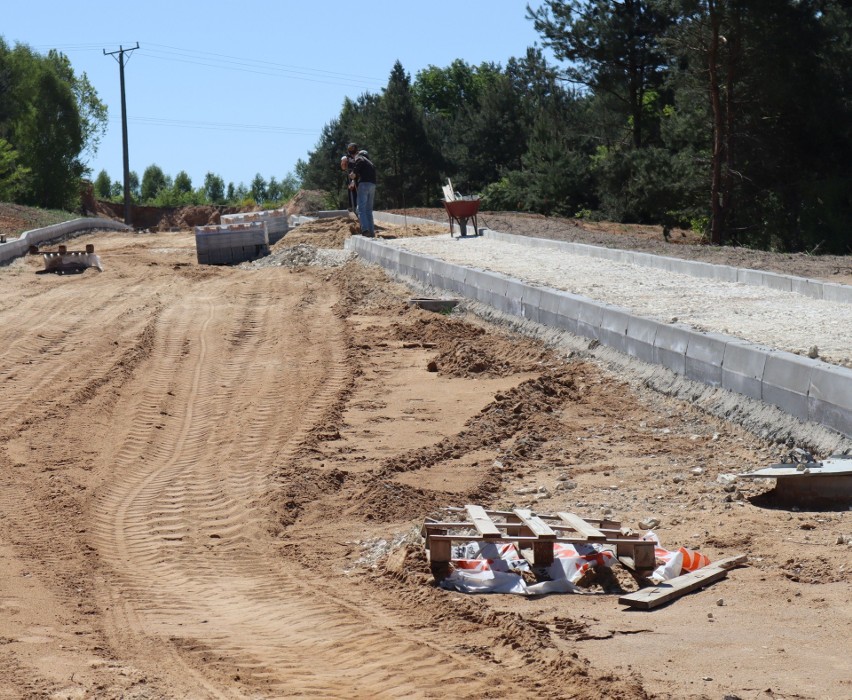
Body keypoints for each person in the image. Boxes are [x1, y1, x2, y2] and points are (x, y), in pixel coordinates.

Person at [350, 149, 376, 237]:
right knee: (368, 210)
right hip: (372, 185)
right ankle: (371, 232)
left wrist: (353, 173)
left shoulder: (360, 158)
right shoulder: (371, 163)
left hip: (364, 185)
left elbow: (358, 164)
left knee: (361, 209)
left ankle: (365, 230)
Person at [340, 143, 358, 212]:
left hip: (359, 177)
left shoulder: (359, 156)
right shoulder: (347, 157)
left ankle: (358, 208)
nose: (351, 150)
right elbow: (343, 168)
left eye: (352, 148)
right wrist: (343, 162)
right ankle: (354, 208)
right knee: (352, 192)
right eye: (349, 148)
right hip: (351, 176)